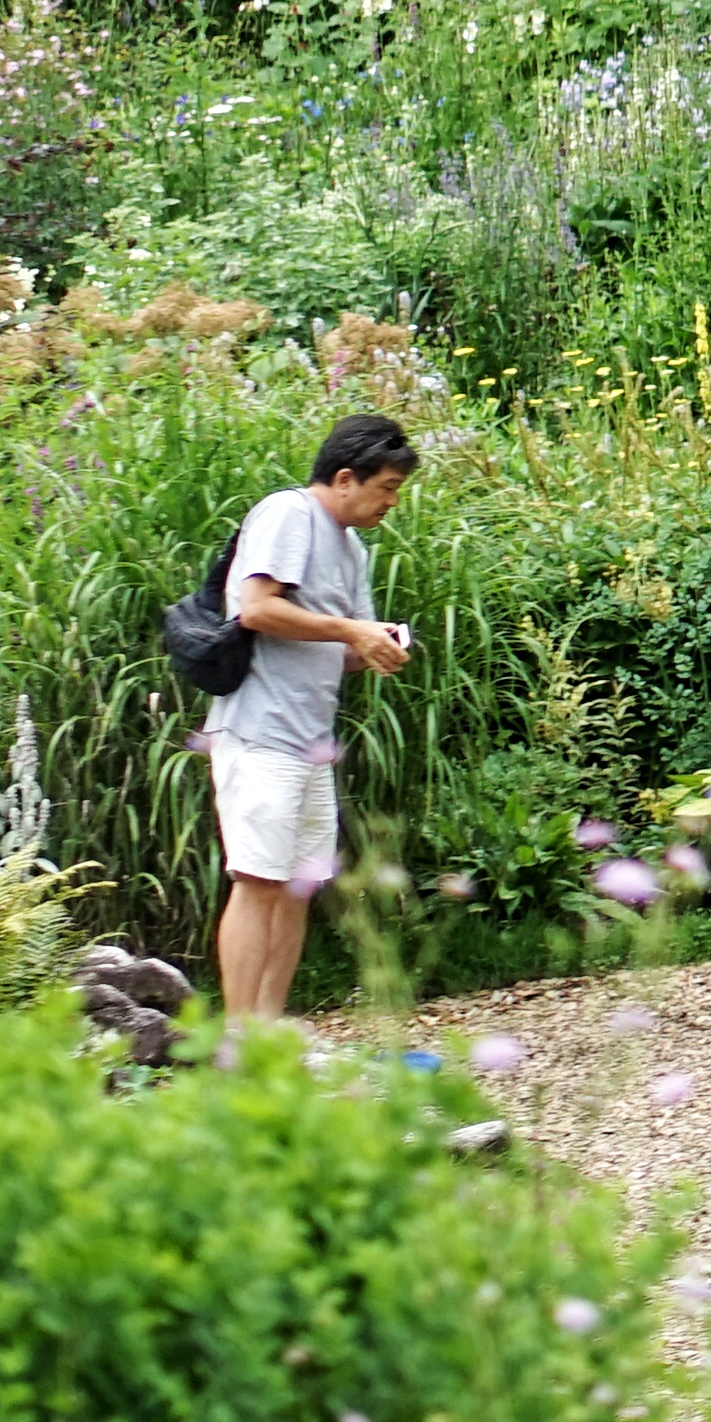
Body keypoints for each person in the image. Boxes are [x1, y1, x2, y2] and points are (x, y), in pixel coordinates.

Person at [209, 413, 422, 1025]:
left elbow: (344, 650)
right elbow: (256, 609)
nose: (391, 502)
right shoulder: (287, 514)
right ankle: (237, 1041)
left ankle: (270, 1032)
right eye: (386, 488)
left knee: (299, 887)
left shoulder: (351, 547)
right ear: (347, 478)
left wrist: (374, 649)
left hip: (311, 743)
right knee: (258, 881)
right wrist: (348, 629)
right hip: (258, 733)